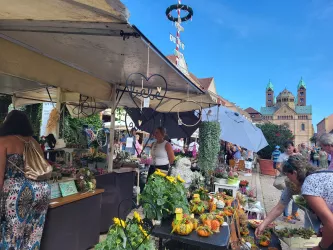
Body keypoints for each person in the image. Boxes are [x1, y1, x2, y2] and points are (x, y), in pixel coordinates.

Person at [0, 110, 51, 249]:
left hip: (18, 193)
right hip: (42, 189)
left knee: (12, 236)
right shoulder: (33, 142)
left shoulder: (3, 141)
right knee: (34, 234)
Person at [255, 155, 322, 238]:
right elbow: (279, 207)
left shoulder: (316, 181)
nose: (287, 178)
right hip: (312, 216)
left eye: (287, 174)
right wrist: (263, 224)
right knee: (311, 239)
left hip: (327, 216)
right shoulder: (291, 184)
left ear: (294, 173)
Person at [276, 141, 300, 220]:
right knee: (286, 196)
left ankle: (294, 213)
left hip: (296, 180)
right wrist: (284, 172)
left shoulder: (298, 155)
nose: (288, 149)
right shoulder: (282, 156)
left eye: (289, 148)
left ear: (293, 147)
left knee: (296, 197)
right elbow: (277, 166)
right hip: (286, 179)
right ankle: (285, 215)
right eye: (286, 148)